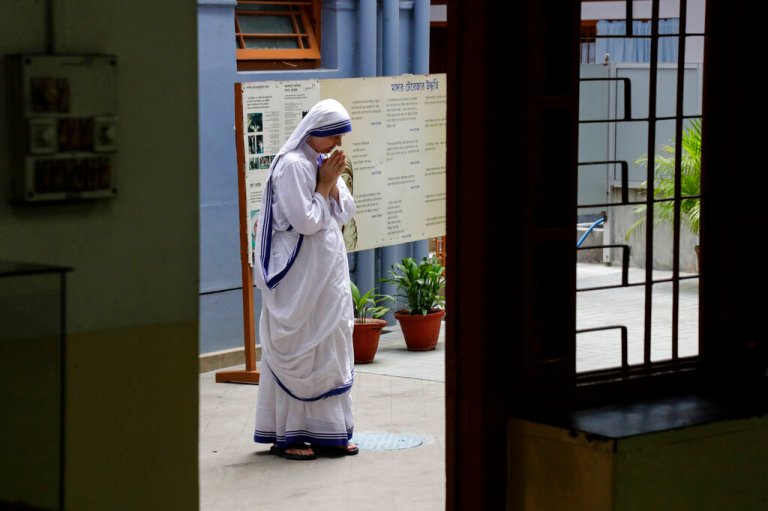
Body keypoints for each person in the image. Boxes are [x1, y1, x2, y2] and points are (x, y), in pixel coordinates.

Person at [252, 98, 358, 461]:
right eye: (333, 138)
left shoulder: (319, 162)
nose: (337, 146)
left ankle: (330, 433)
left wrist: (331, 180)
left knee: (331, 340)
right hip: (299, 277)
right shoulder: (294, 166)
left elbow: (344, 212)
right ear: (315, 134)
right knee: (302, 345)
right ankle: (291, 434)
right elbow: (306, 221)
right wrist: (325, 182)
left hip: (326, 272)